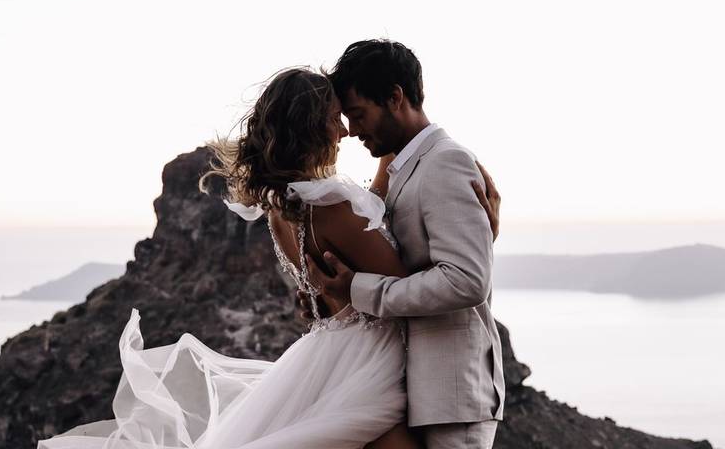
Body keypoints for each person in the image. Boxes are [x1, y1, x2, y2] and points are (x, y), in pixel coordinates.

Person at [36, 64, 500, 449]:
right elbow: (410, 277)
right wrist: (482, 235)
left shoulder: (284, 206)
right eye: (337, 117)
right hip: (368, 364)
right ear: (311, 125)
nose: (346, 130)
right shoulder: (333, 206)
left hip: (330, 353)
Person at [304, 39, 506, 449]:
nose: (353, 130)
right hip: (416, 391)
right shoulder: (402, 170)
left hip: (453, 399)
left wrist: (357, 289)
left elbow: (466, 280)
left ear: (395, 97)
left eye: (359, 114)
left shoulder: (445, 162)